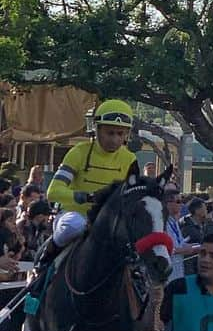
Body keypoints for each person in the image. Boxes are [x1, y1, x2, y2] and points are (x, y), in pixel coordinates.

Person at [27, 98, 138, 306]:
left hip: (108, 221)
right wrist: (83, 197)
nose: (115, 140)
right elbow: (54, 191)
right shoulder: (78, 152)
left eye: (120, 134)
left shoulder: (130, 158)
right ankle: (44, 263)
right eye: (110, 133)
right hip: (74, 215)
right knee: (72, 226)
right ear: (96, 130)